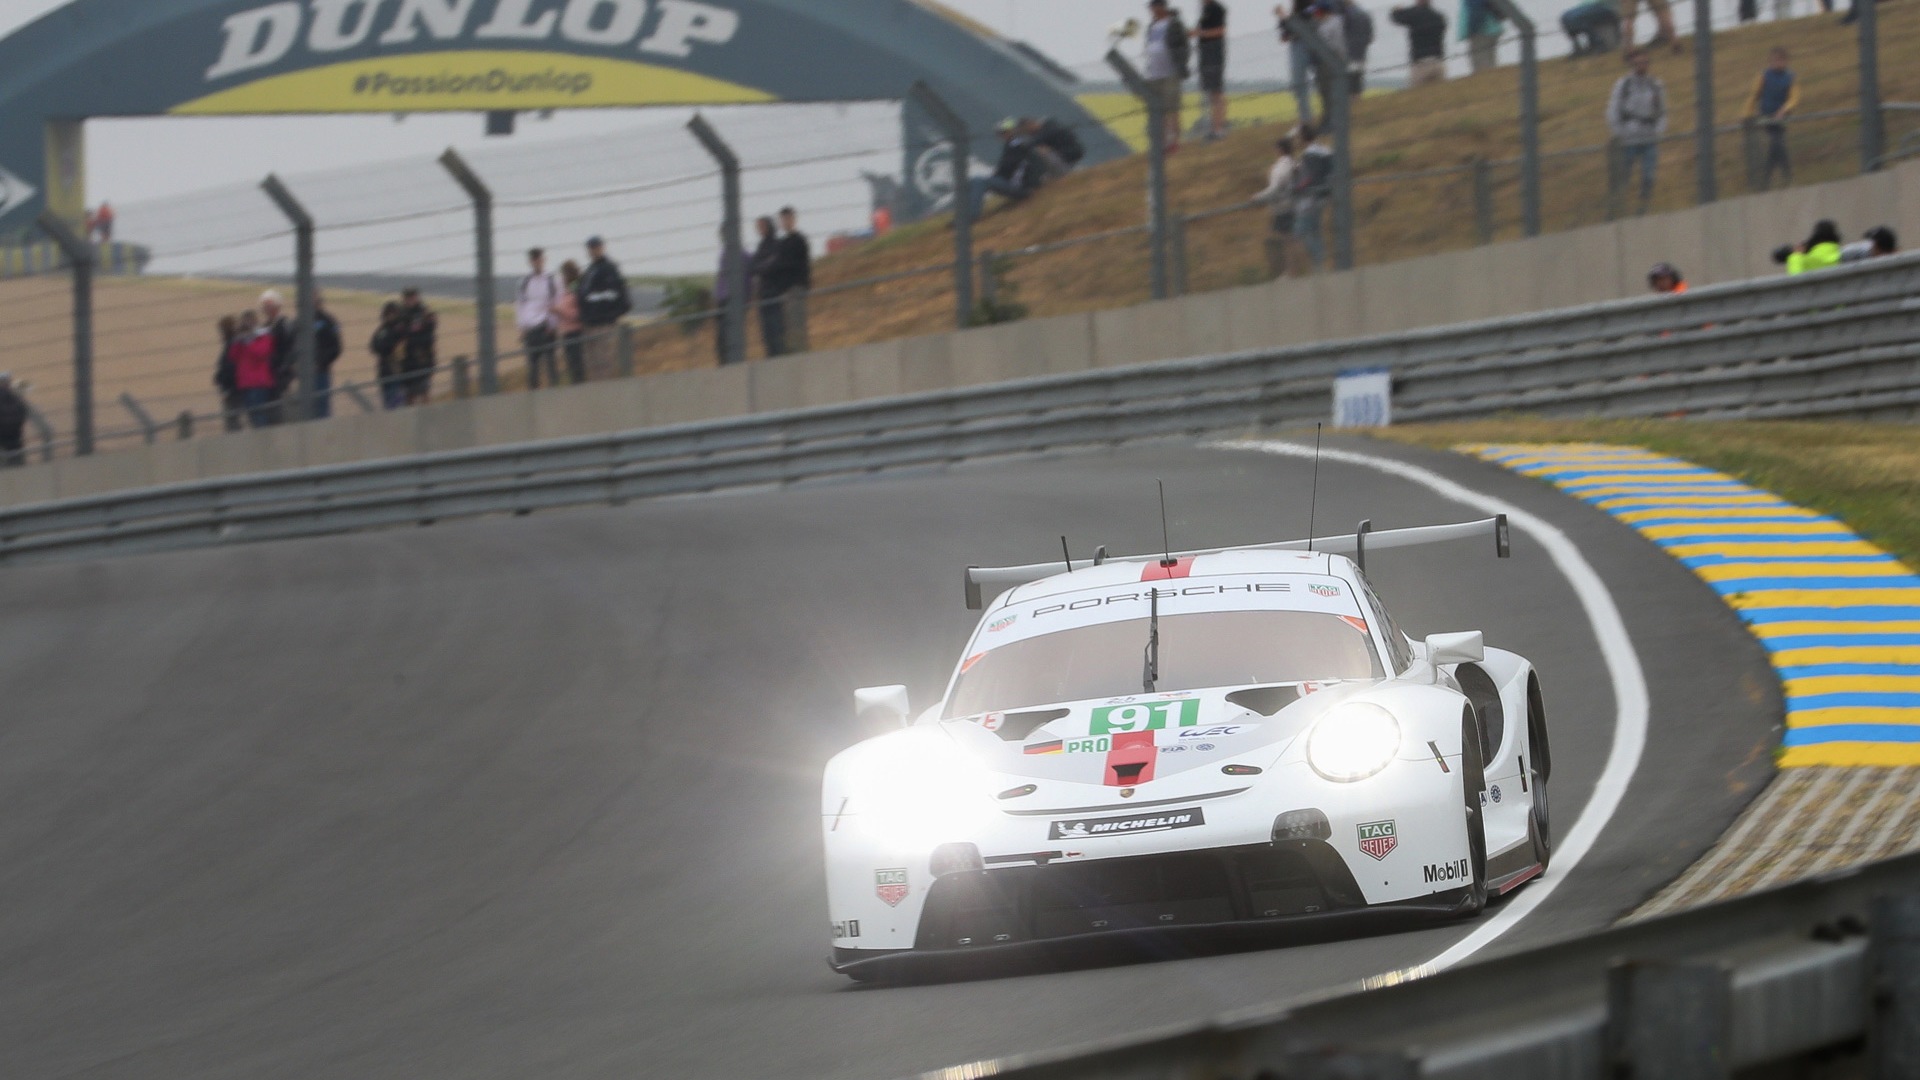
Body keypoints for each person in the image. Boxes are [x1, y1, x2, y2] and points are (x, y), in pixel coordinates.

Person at [1607, 49, 1666, 215]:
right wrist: (1620, 132)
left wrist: (1658, 131)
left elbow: (1662, 111)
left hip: (1648, 138)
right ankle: (1618, 208)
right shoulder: (1623, 85)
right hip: (1629, 139)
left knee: (1649, 176)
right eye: (1638, 63)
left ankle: (1643, 207)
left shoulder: (1655, 85)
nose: (1641, 66)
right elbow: (1613, 110)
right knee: (1624, 177)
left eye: (1644, 62)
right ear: (1632, 65)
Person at [1743, 48, 1799, 191]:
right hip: (1767, 117)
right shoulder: (1764, 76)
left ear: (1785, 61)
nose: (1777, 63)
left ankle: (1767, 180)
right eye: (1774, 60)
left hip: (1781, 117)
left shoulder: (1790, 77)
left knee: (1776, 145)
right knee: (1777, 143)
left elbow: (1794, 98)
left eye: (1780, 60)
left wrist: (1784, 109)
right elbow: (1754, 95)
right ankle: (1786, 176)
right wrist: (1747, 114)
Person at [576, 236, 631, 380]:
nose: (593, 251)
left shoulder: (610, 269)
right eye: (591, 248)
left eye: (596, 247)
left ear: (602, 248)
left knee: (605, 363)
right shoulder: (589, 271)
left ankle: (605, 391)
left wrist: (611, 315)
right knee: (592, 364)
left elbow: (619, 295)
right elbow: (583, 296)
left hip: (604, 324)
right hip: (589, 324)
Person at [969, 119, 1045, 217]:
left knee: (979, 181)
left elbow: (1009, 166)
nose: (1001, 136)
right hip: (1021, 185)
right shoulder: (1017, 143)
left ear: (1011, 131)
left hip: (1021, 187)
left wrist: (996, 175)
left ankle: (971, 216)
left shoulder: (1018, 144)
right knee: (975, 181)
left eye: (1003, 132)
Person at [1255, 136, 1307, 277]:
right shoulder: (1295, 163)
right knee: (1293, 239)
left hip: (1282, 207)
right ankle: (1297, 269)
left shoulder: (1280, 167)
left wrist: (1258, 197)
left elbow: (1275, 189)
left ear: (1279, 150)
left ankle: (1291, 271)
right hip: (1295, 204)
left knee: (1287, 241)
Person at [1143, 0, 1189, 153]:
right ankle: (1163, 142)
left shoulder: (1174, 24)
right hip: (1154, 74)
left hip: (1171, 72)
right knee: (1159, 110)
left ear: (1162, 7)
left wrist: (1181, 64)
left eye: (1154, 7)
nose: (1152, 10)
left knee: (1172, 108)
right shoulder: (1151, 26)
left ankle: (1174, 141)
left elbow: (1184, 45)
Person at [516, 247, 563, 389]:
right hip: (531, 329)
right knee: (532, 368)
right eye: (534, 259)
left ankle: (555, 395)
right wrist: (522, 328)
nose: (537, 262)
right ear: (530, 261)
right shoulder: (524, 282)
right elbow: (520, 306)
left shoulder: (552, 280)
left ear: (543, 260)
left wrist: (553, 325)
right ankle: (533, 397)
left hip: (547, 327)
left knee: (551, 365)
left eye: (539, 258)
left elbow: (557, 302)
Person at [228, 310, 280, 428]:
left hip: (259, 382)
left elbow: (261, 353)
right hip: (245, 383)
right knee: (251, 414)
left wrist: (249, 341)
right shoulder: (241, 339)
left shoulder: (264, 336)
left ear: (254, 322)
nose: (247, 325)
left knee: (259, 413)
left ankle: (263, 436)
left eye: (249, 321)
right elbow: (233, 356)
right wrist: (237, 341)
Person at [1294, 123, 1335, 270]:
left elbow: (1310, 177)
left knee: (1301, 230)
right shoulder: (1326, 150)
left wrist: (1298, 187)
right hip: (1327, 194)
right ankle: (1320, 263)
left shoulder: (1309, 154)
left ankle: (1319, 262)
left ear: (1303, 138)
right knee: (1315, 229)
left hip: (1313, 197)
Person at [1278, 0, 1319, 126]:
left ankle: (1309, 118)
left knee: (1321, 80)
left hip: (1309, 45)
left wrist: (1284, 18)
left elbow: (1308, 13)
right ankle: (1306, 118)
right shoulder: (1297, 11)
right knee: (1300, 84)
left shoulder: (1310, 8)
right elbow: (1284, 36)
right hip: (1300, 46)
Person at [1391, 0, 1448, 86]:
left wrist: (1395, 10)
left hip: (1420, 63)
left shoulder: (1414, 14)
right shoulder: (1438, 16)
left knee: (1417, 92)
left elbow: (1397, 18)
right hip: (1438, 60)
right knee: (1441, 92)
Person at [397, 287, 438, 405]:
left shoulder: (424, 312)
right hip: (406, 361)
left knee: (424, 392)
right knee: (409, 396)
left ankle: (427, 415)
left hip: (423, 359)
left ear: (417, 297)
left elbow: (429, 333)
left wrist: (411, 336)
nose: (410, 300)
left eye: (412, 297)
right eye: (407, 297)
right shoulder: (401, 314)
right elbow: (399, 334)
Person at [713, 227, 747, 366]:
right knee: (721, 339)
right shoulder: (724, 254)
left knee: (730, 336)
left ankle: (731, 364)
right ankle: (724, 363)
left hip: (732, 301)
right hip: (722, 301)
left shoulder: (740, 254)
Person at [750, 216, 783, 358]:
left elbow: (773, 264)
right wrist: (762, 267)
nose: (759, 229)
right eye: (758, 227)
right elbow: (753, 267)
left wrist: (761, 267)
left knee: (776, 328)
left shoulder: (776, 244)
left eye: (762, 226)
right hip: (763, 293)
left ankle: (778, 355)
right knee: (766, 330)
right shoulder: (761, 245)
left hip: (774, 291)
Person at [1196, 0, 1229, 140]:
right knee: (1211, 93)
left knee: (1217, 92)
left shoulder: (1217, 9)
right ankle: (1214, 127)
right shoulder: (1206, 10)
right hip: (1206, 54)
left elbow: (1220, 30)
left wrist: (1200, 33)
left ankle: (1218, 129)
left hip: (1214, 54)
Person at [369, 301, 410, 410]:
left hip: (397, 370)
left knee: (397, 403)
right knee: (387, 404)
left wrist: (385, 346)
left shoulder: (401, 328)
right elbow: (373, 345)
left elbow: (396, 346)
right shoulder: (382, 329)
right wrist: (386, 347)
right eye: (388, 314)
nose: (390, 316)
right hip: (384, 371)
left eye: (392, 313)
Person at [554, 260, 586, 383]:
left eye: (563, 274)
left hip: (575, 332)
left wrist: (560, 311)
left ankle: (579, 387)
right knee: (571, 365)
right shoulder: (567, 290)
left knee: (577, 364)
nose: (562, 277)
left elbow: (579, 312)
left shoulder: (576, 289)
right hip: (567, 332)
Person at [213, 314, 244, 432]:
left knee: (232, 421)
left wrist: (221, 379)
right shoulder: (232, 343)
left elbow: (230, 366)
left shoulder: (232, 344)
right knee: (233, 420)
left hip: (232, 389)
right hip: (233, 387)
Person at [1458, 0, 1502, 74]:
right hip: (1492, 27)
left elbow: (1476, 9)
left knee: (1481, 64)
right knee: (1490, 61)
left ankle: (1488, 80)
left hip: (1481, 31)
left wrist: (1472, 30)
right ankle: (1494, 79)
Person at [1343, 1, 1375, 95]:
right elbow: (1370, 36)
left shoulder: (1345, 16)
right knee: (1358, 77)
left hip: (1348, 51)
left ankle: (1351, 99)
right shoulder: (1364, 14)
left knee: (1348, 79)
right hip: (1361, 51)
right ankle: (1358, 98)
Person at [0, 372, 27, 467]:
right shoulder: (16, 397)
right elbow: (22, 412)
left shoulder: (15, 397)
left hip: (3, 438)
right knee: (18, 463)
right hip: (15, 436)